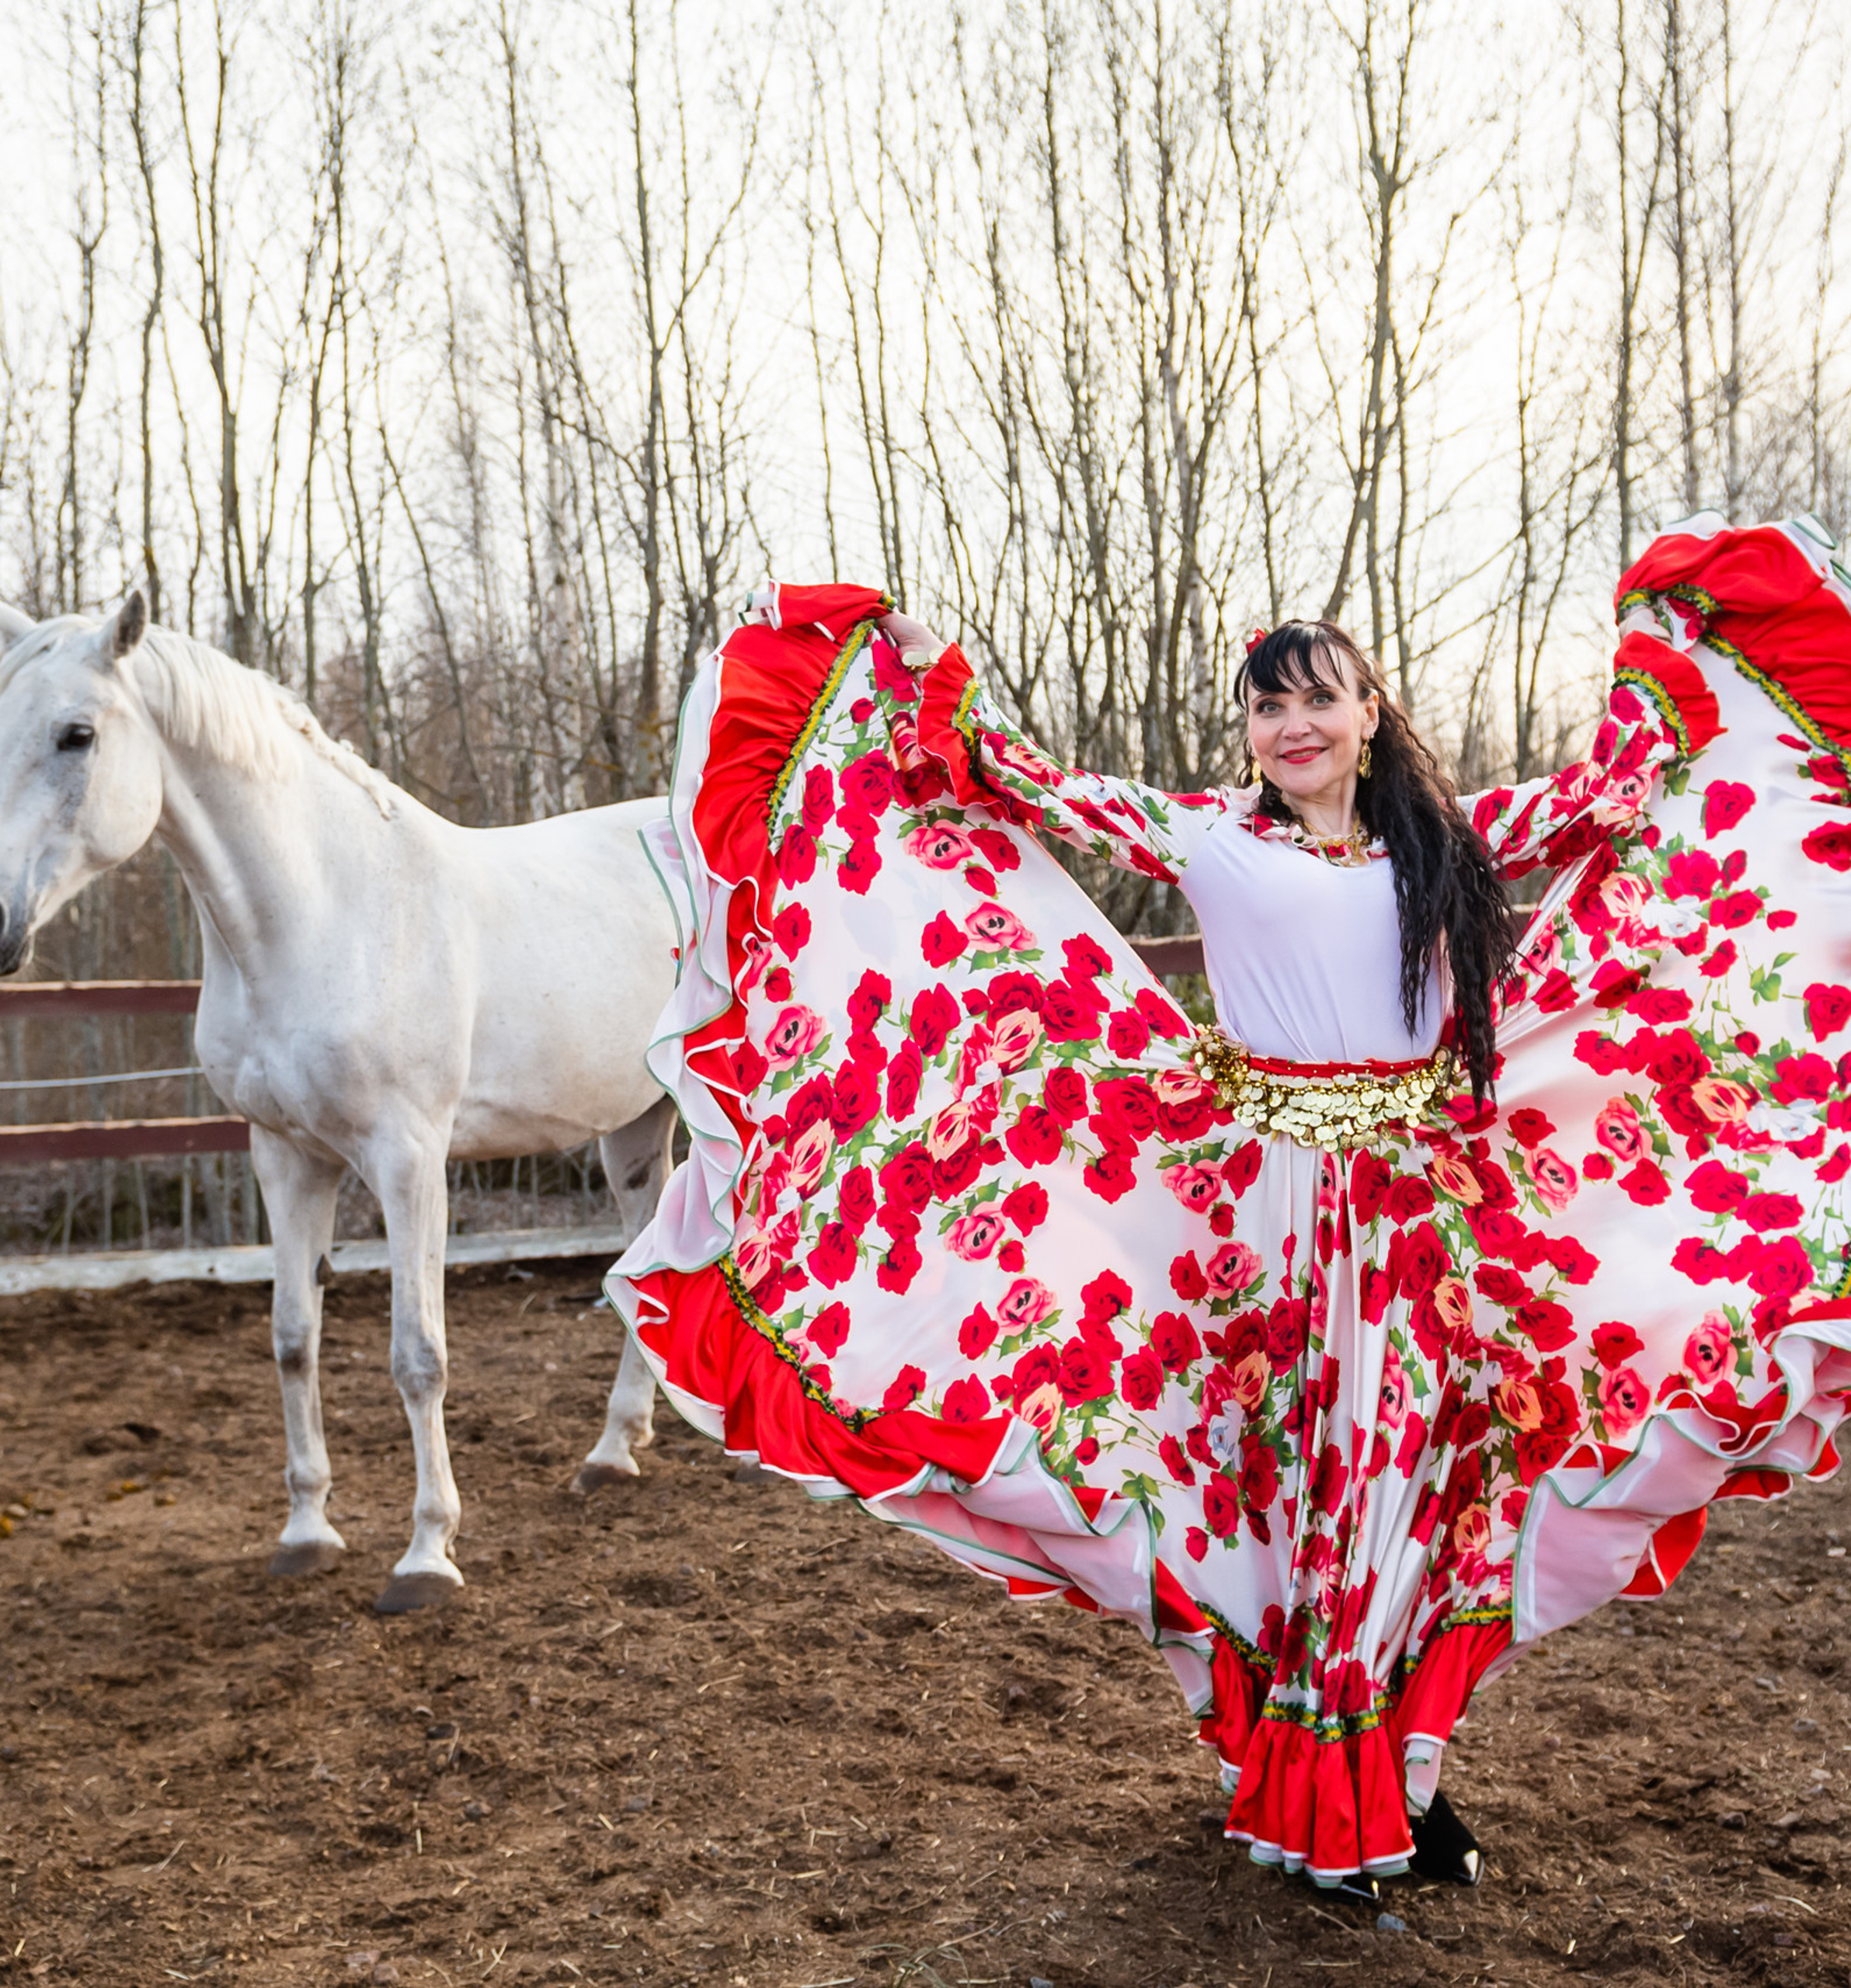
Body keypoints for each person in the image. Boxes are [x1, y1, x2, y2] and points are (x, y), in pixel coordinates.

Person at [605, 517, 1851, 1898]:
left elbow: (1625, 790)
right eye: (1268, 704)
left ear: (1370, 713)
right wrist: (928, 664)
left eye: (1319, 697)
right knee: (1279, 1504)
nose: (1293, 724)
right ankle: (1319, 1787)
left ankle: (1395, 1782)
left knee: (1406, 1502)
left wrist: (1682, 641)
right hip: (1264, 1230)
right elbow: (1016, 778)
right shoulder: (1206, 836)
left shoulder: (1453, 843)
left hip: (1423, 1229)